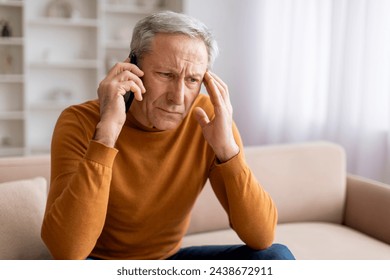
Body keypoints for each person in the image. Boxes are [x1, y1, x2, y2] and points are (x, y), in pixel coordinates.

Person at [41, 11, 294, 260]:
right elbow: (68, 252)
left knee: (276, 258)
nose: (178, 97)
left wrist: (227, 150)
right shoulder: (78, 121)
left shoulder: (208, 118)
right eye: (166, 75)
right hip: (98, 264)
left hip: (167, 264)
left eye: (193, 80)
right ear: (132, 67)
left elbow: (261, 236)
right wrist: (106, 134)